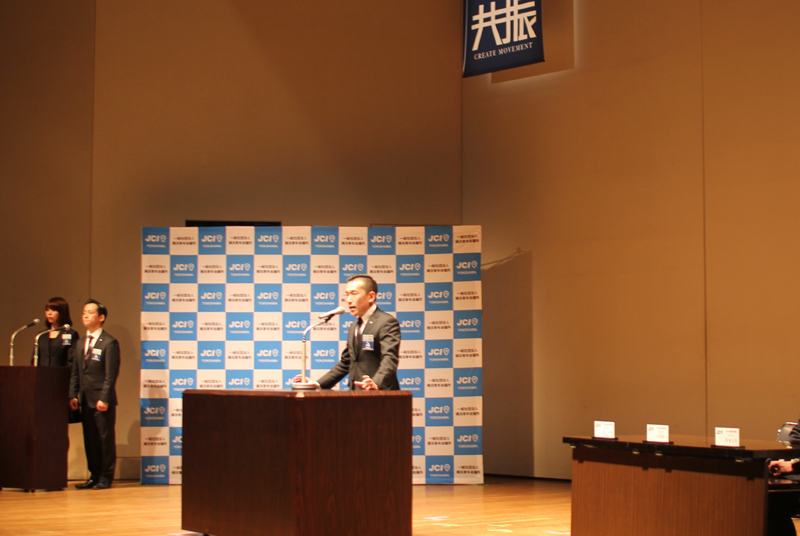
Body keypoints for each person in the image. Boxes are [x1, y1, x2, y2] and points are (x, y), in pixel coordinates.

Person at [315, 274, 400, 390]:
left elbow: (389, 358)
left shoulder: (386, 322)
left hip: (380, 394)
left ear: (371, 297)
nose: (348, 300)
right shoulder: (354, 326)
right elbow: (346, 362)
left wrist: (376, 383)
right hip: (357, 395)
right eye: (347, 294)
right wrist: (318, 384)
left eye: (354, 294)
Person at [69, 299, 120, 490]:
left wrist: (104, 398)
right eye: (84, 312)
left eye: (90, 312)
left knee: (104, 439)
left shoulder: (109, 342)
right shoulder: (80, 342)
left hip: (101, 400)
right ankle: (94, 475)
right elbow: (76, 372)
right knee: (90, 440)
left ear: (101, 317)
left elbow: (111, 374)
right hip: (85, 399)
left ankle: (106, 477)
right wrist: (73, 395)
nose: (86, 315)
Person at [32, 297, 79, 367]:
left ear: (62, 312)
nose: (49, 313)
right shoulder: (41, 335)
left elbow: (72, 361)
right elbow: (34, 360)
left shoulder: (71, 334)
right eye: (47, 310)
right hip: (42, 373)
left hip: (62, 373)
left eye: (53, 310)